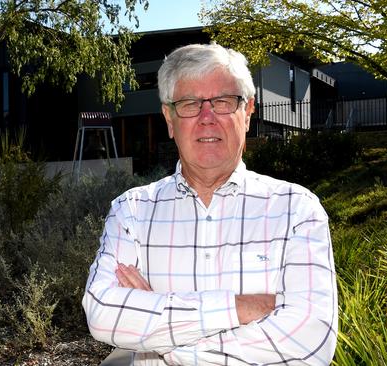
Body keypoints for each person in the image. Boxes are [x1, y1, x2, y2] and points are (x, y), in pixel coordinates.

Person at [82, 43, 338, 365]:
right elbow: (103, 313)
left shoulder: (297, 211)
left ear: (247, 113)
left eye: (223, 102)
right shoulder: (131, 211)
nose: (207, 118)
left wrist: (163, 334)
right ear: (169, 119)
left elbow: (310, 339)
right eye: (189, 104)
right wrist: (238, 308)